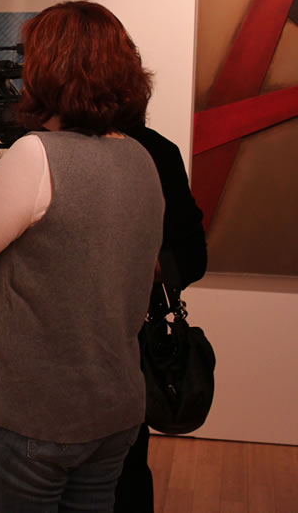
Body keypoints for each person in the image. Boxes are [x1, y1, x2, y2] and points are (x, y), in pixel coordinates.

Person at [0, 1, 165, 512]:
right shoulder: (140, 158)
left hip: (33, 413)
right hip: (114, 407)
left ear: (50, 70)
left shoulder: (38, 154)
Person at [113, 122, 207, 513]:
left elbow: (190, 258)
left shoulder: (153, 151)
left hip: (125, 344)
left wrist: (128, 267)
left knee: (124, 469)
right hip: (55, 358)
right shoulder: (43, 147)